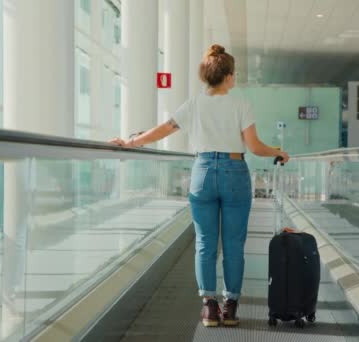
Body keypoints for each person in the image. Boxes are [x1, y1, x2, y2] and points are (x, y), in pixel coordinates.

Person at [110, 44, 289, 327]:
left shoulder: (193, 104)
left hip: (202, 171)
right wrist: (278, 151)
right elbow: (254, 147)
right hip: (234, 173)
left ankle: (209, 307)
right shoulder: (241, 104)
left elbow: (163, 129)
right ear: (228, 76)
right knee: (233, 244)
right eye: (234, 74)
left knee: (205, 244)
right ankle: (230, 307)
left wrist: (131, 141)